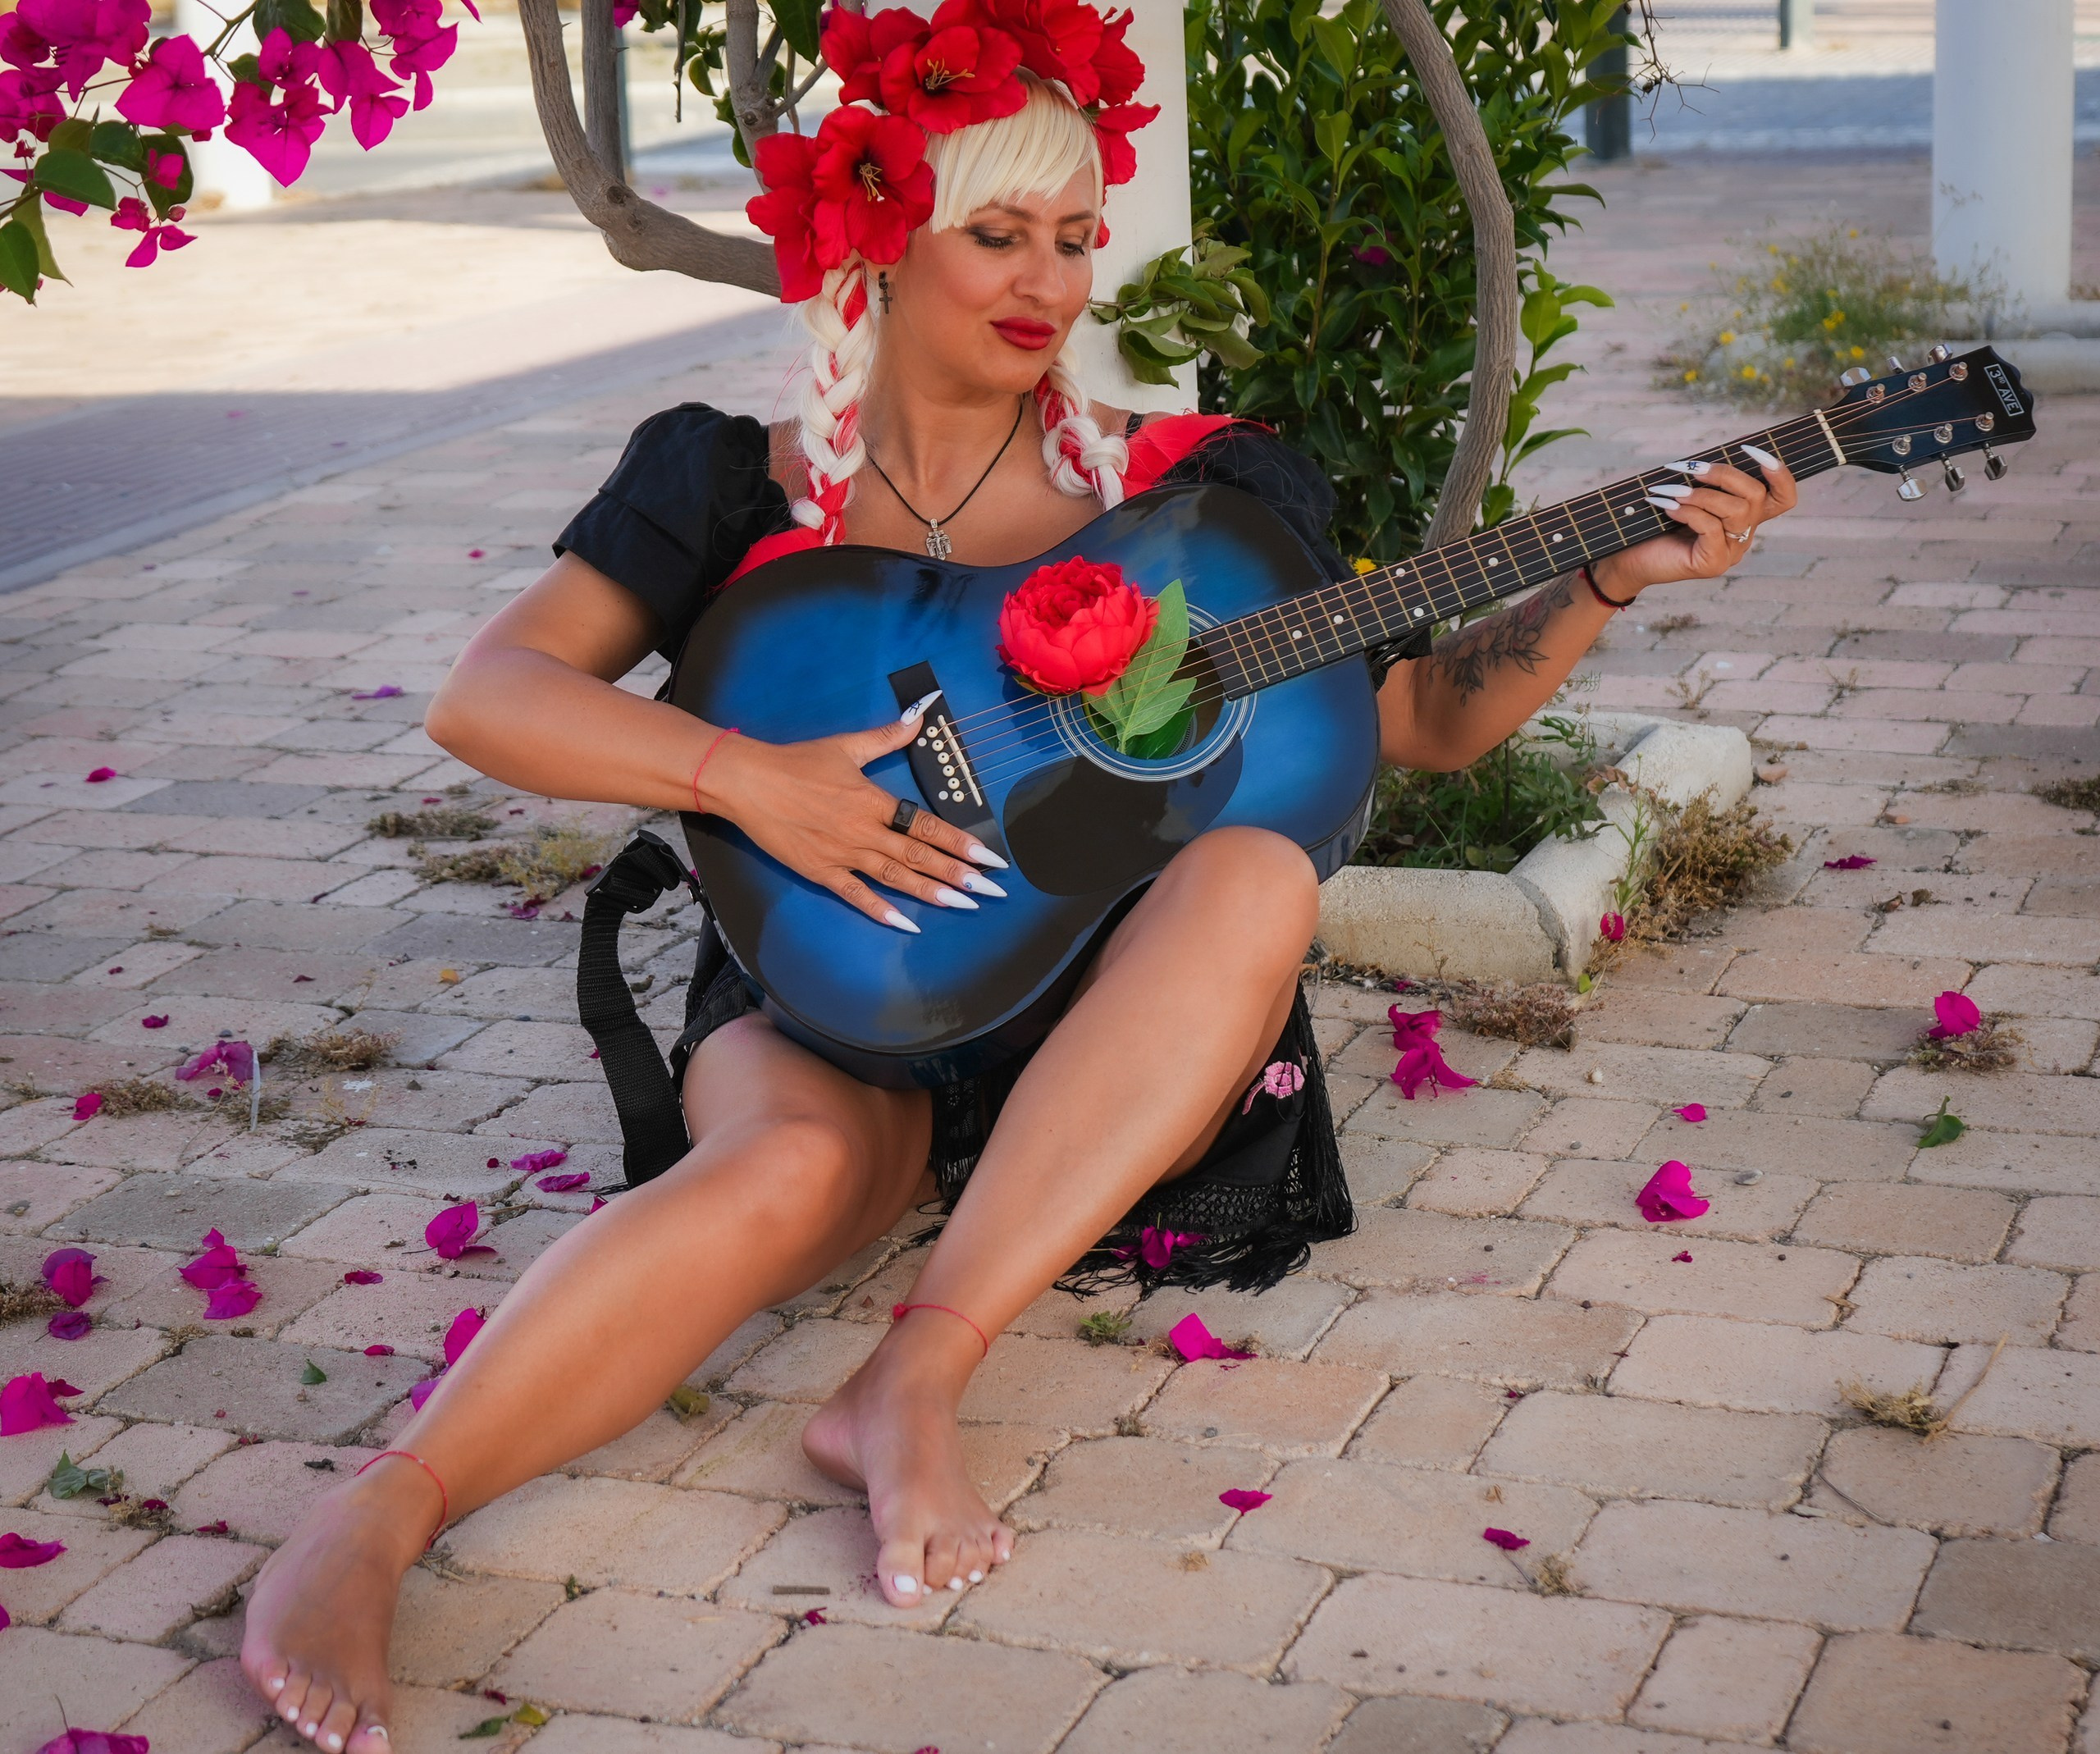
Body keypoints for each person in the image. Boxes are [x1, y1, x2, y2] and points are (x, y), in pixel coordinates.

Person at [237, 25, 1796, 1751]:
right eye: (999, 234)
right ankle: (381, 1510)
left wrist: (1602, 584)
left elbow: (1419, 718)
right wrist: (741, 776)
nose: (1049, 277)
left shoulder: (1190, 494)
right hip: (840, 967)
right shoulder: (729, 479)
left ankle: (916, 1367)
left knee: (1251, 878)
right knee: (785, 1167)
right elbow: (487, 696)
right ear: (880, 235)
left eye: (1073, 236)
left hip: (1115, 1001)